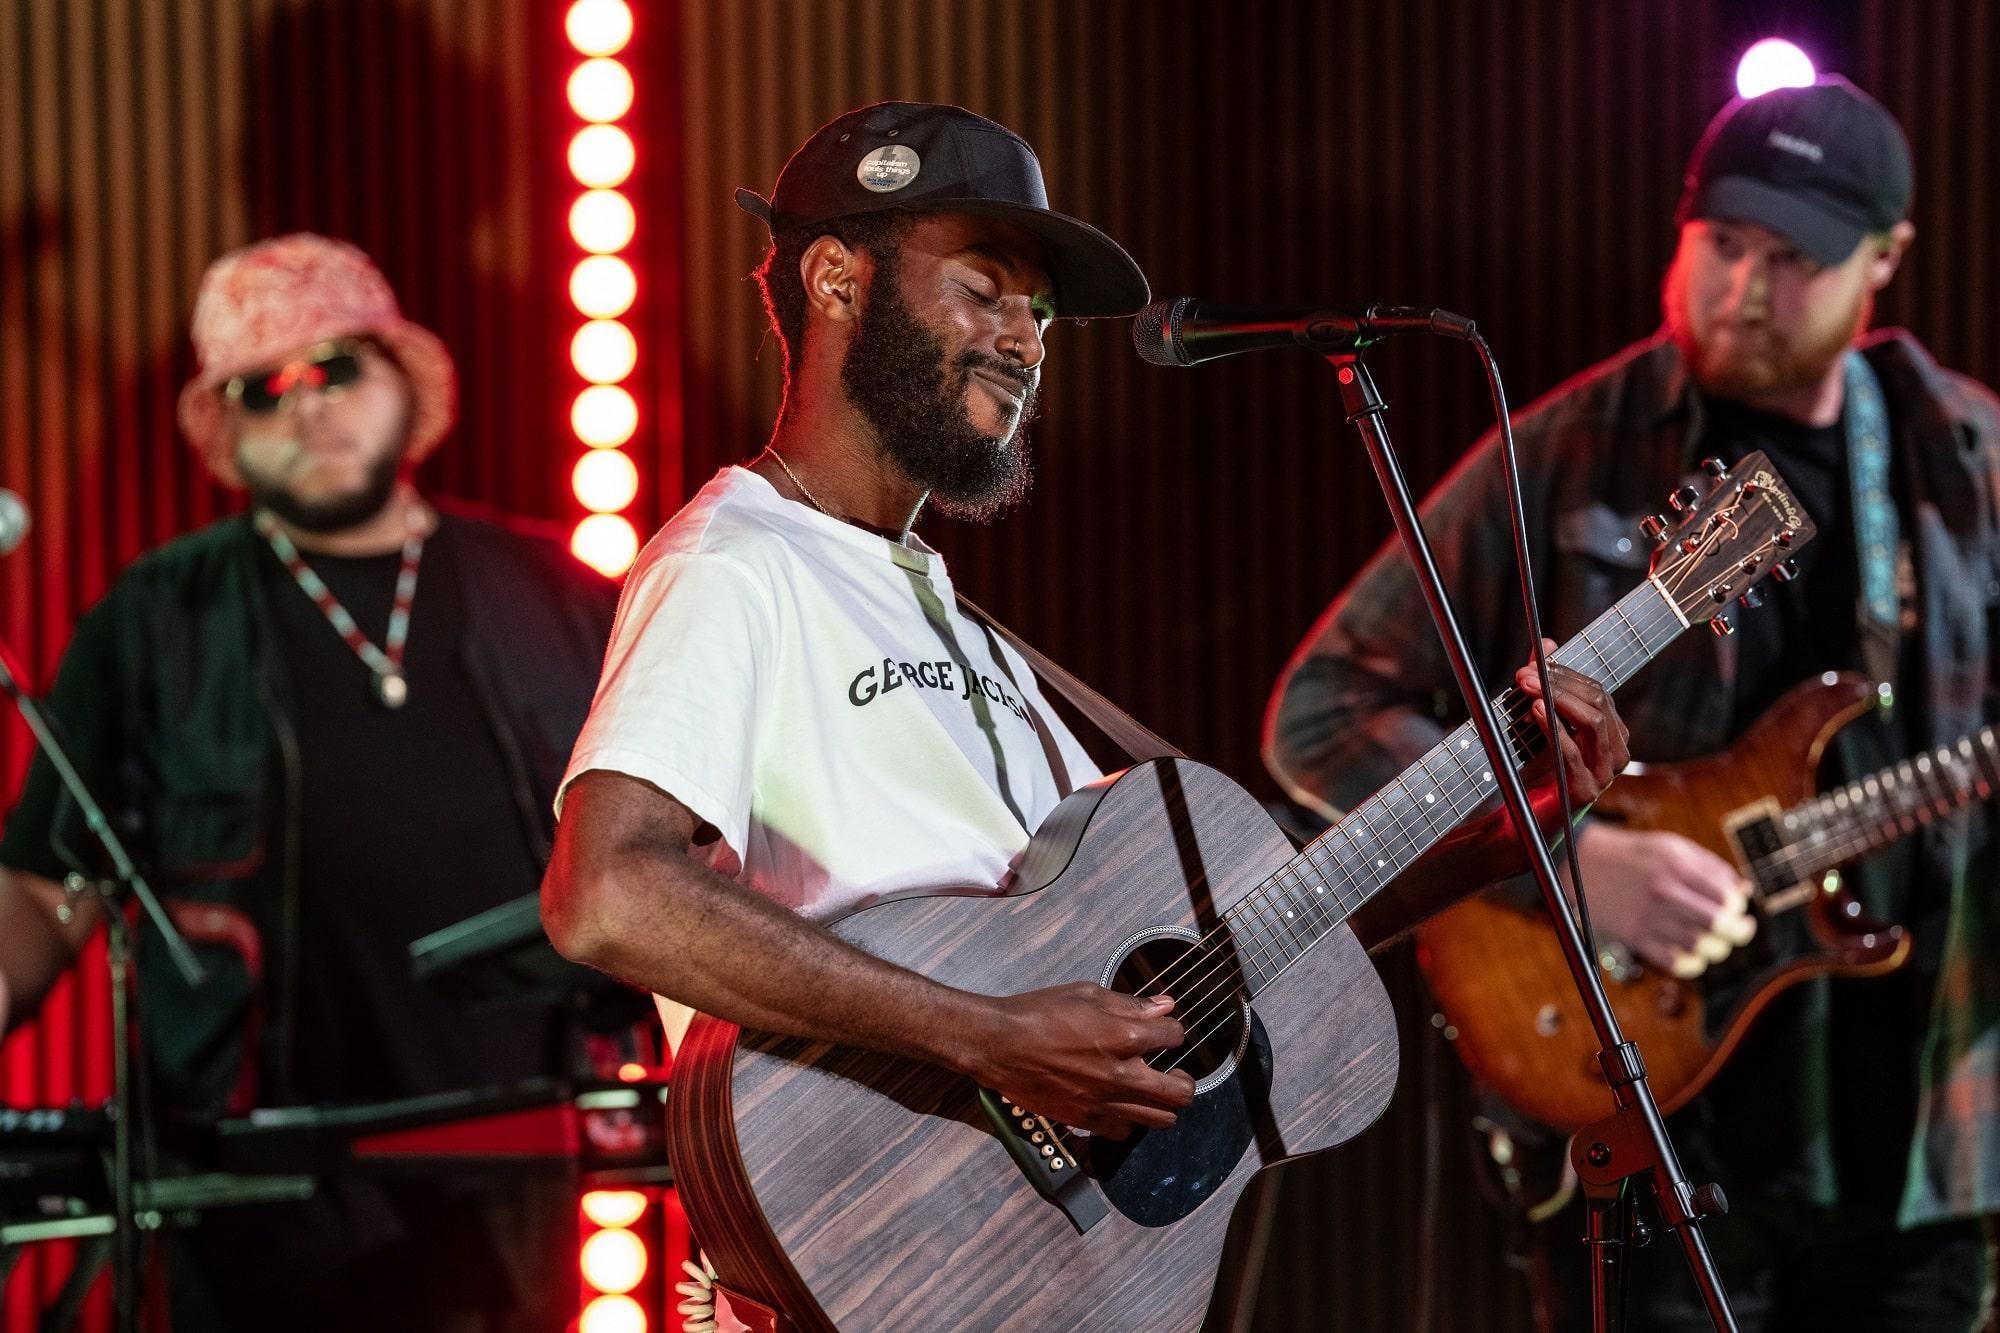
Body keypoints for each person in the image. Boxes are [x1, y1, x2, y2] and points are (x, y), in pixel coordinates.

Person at [541, 100, 1628, 1329]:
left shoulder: (946, 613)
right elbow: (607, 892)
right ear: (836, 279)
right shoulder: (737, 561)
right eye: (985, 289)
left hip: (1017, 1272)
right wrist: (986, 1034)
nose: (1026, 338)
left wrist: (1514, 821)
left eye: (1040, 314)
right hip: (874, 1248)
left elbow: (1216, 973)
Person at [1265, 77, 2000, 1331]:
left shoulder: (1965, 458)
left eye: (1790, 259)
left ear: (1885, 260)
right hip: (1651, 1128)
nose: (1739, 288)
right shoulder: (1565, 451)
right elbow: (1326, 706)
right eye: (1720, 242)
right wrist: (1570, 861)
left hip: (1916, 1133)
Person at [0, 234, 619, 1330]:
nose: (305, 406)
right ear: (227, 431)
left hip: (514, 1170)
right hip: (250, 1197)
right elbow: (42, 896)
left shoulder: (560, 591)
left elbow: (674, 860)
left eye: (334, 366)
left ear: (402, 381)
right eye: (260, 388)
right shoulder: (155, 620)